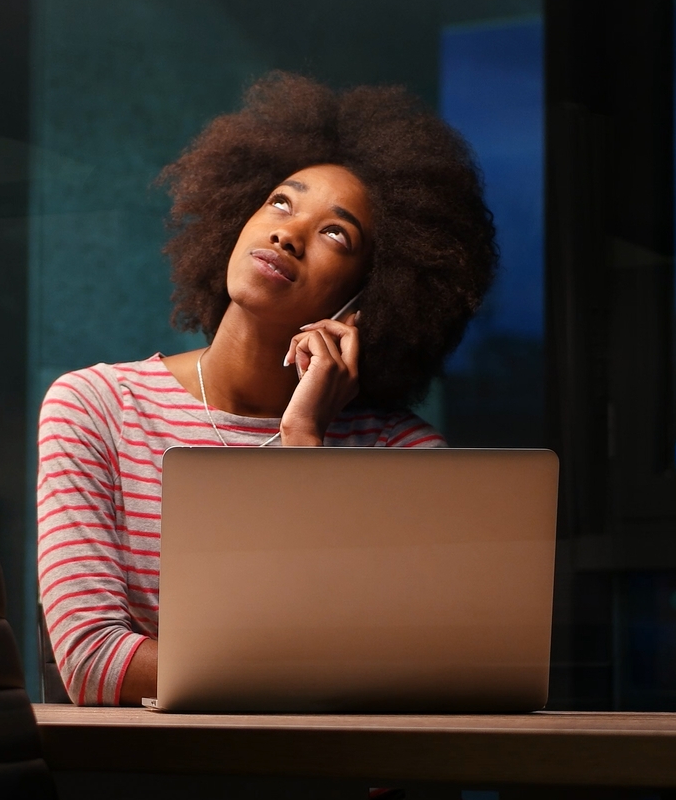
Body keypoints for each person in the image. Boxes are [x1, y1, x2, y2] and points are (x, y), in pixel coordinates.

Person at [38, 71, 498, 707]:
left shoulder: (403, 456)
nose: (288, 233)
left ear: (374, 295)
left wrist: (303, 439)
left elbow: (410, 672)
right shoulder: (98, 409)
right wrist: (308, 673)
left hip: (369, 799)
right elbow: (91, 662)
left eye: (336, 233)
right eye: (281, 202)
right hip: (191, 795)